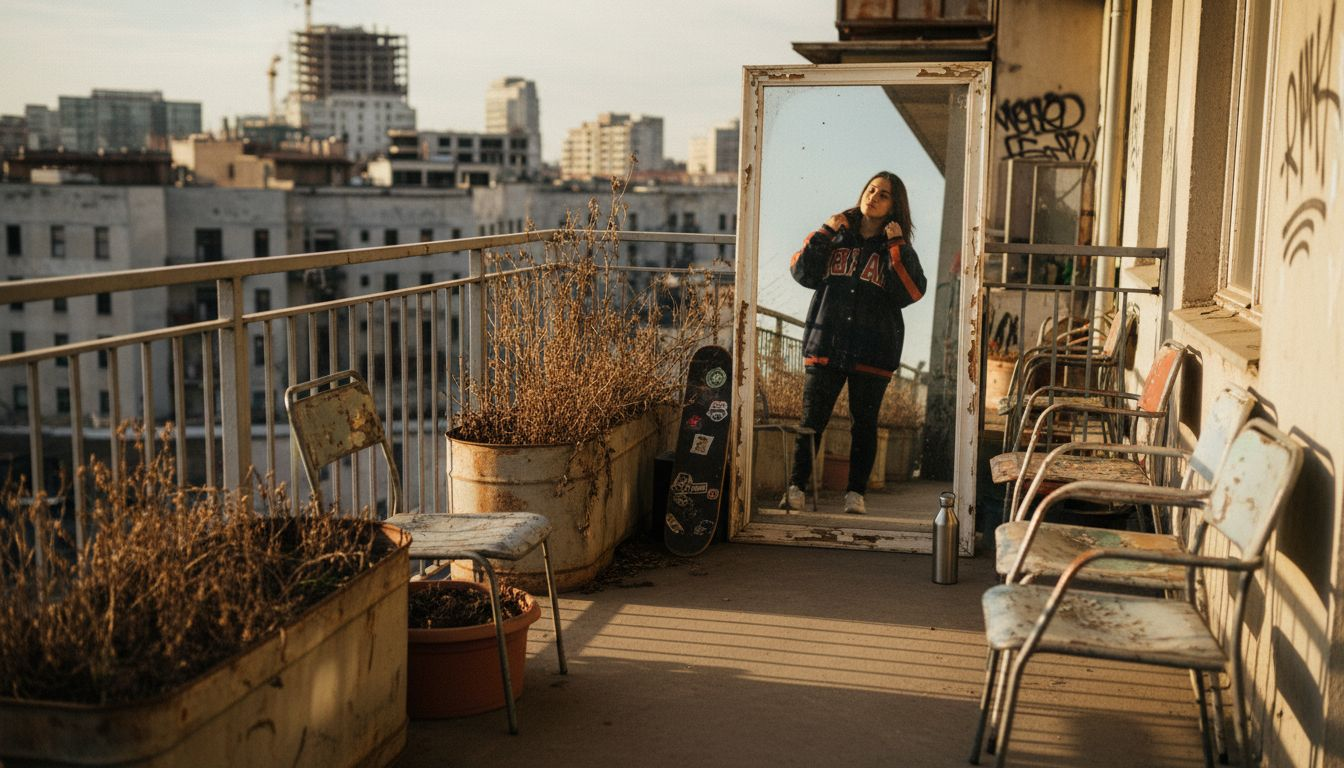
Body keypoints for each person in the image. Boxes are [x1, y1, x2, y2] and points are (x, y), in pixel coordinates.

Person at [781, 171, 927, 514]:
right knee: (811, 420)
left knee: (864, 423)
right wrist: (826, 231)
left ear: (895, 206)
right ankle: (795, 488)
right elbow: (802, 271)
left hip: (873, 349)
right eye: (871, 189)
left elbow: (911, 291)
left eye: (884, 194)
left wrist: (895, 246)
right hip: (826, 342)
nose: (873, 197)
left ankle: (855, 494)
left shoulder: (898, 247)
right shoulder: (836, 236)